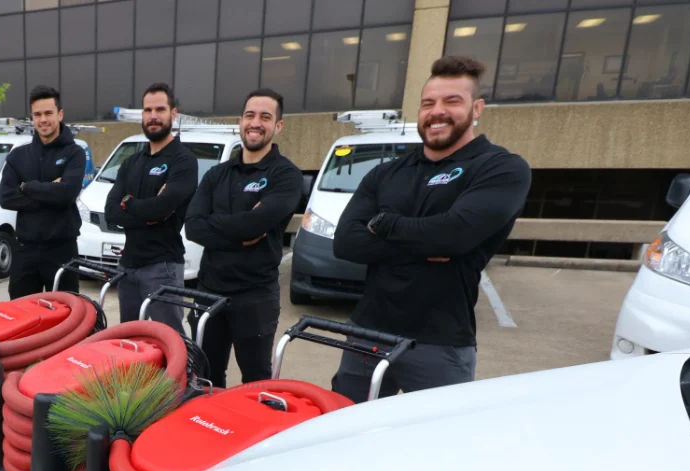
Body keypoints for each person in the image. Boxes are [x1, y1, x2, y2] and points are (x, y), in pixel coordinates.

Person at [331, 55, 530, 402]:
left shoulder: (501, 168)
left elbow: (456, 234)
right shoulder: (387, 172)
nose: (437, 111)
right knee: (344, 428)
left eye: (452, 101)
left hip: (439, 342)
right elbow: (346, 242)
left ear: (477, 107)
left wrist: (386, 224)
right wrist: (429, 244)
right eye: (428, 103)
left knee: (438, 446)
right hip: (367, 333)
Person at [184, 88, 302, 386]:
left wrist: (219, 225)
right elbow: (194, 226)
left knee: (256, 380)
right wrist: (244, 228)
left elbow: (254, 224)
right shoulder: (217, 175)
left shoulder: (286, 175)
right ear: (240, 121)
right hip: (209, 291)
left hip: (255, 297)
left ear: (278, 126)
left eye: (265, 116)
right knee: (205, 377)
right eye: (250, 115)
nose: (256, 123)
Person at [105, 83, 198, 332]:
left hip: (163, 268)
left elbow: (161, 209)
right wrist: (149, 212)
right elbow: (111, 212)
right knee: (131, 342)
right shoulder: (132, 161)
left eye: (160, 109)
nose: (153, 116)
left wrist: (130, 203)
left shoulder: (184, 160)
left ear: (173, 113)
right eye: (147, 110)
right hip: (127, 266)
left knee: (170, 342)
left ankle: (179, 374)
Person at [0, 85, 86, 298]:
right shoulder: (18, 155)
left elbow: (67, 193)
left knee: (66, 319)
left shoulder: (75, 153)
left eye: (48, 113)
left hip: (62, 250)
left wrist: (28, 187)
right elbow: (6, 197)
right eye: (37, 114)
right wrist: (51, 193)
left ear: (60, 114)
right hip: (25, 250)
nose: (43, 119)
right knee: (22, 319)